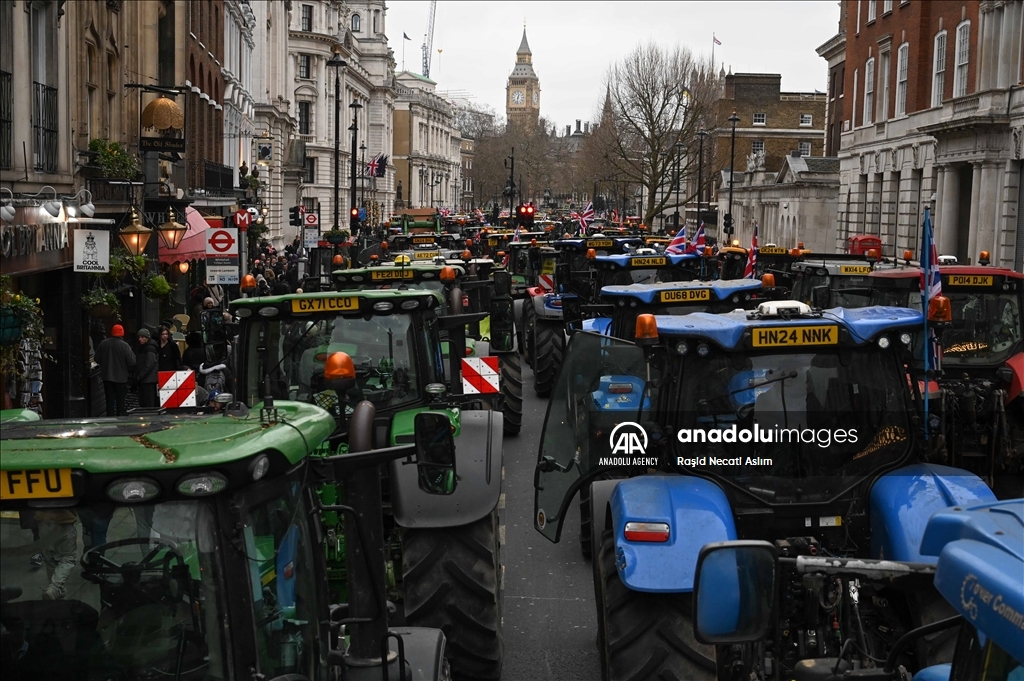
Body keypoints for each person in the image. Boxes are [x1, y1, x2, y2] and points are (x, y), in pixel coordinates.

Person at [35, 509, 78, 600]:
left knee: (50, 558)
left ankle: (58, 593)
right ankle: (55, 588)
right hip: (63, 522)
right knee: (67, 558)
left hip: (44, 522)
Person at [96, 324, 136, 416]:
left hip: (107, 377)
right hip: (121, 378)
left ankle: (110, 418)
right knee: (120, 401)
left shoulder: (103, 343)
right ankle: (120, 417)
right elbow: (132, 361)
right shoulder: (125, 346)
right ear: (122, 333)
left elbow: (97, 359)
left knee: (109, 400)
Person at [135, 328, 159, 408]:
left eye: (142, 337)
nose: (140, 339)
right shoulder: (146, 347)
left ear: (147, 338)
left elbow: (149, 365)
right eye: (139, 337)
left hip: (148, 380)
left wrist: (139, 376)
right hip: (147, 379)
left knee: (148, 403)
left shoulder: (150, 348)